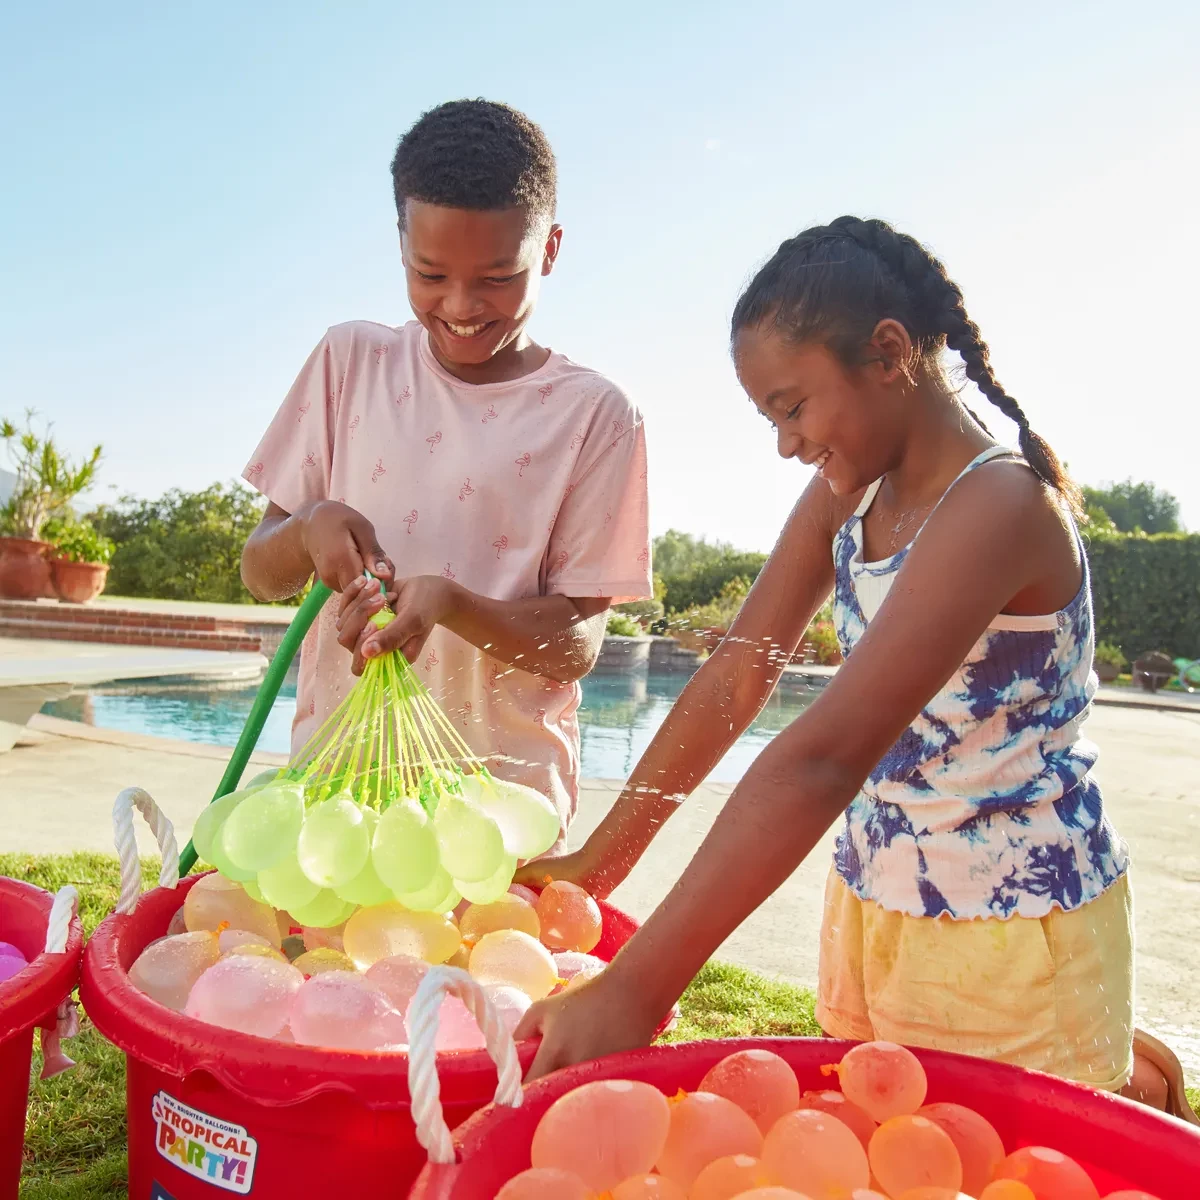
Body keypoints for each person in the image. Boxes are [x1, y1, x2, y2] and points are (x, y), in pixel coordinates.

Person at [516, 216, 1190, 1118]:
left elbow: (825, 756)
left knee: (1006, 1159)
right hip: (879, 899)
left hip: (1014, 932)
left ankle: (1125, 1072)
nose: (786, 443)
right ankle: (1130, 1068)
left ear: (888, 353)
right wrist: (600, 861)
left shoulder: (998, 503)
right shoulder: (848, 493)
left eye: (792, 407)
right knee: (887, 1150)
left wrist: (641, 986)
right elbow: (735, 679)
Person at [240, 100, 652, 847]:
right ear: (400, 246)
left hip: (499, 821)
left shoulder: (594, 414)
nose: (460, 307)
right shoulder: (348, 363)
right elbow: (260, 572)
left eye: (498, 277)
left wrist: (455, 606)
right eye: (429, 274)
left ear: (551, 248)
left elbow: (578, 644)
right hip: (339, 807)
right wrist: (305, 530)